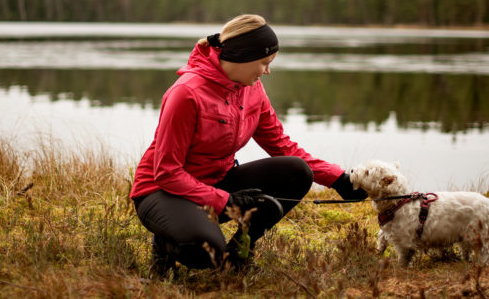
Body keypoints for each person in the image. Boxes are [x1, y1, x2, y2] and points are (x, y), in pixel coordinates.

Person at [129, 14, 367, 274]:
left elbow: (282, 146)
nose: (267, 70)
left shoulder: (253, 88)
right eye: (264, 63)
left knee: (297, 172)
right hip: (162, 192)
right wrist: (227, 201)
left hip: (216, 183)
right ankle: (166, 244)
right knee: (206, 253)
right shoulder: (186, 93)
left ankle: (238, 256)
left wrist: (338, 179)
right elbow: (167, 173)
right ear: (243, 57)